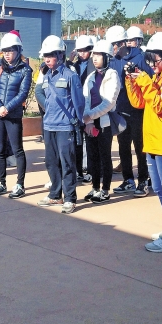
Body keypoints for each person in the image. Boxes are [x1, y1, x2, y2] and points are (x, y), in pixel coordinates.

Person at [126, 32, 162, 252]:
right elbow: (139, 103)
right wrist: (132, 82)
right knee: (158, 188)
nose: (152, 64)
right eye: (150, 60)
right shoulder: (156, 78)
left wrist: (144, 81)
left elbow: (160, 105)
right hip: (151, 141)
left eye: (156, 59)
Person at [36, 35, 85, 214]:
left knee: (67, 162)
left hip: (65, 126)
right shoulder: (46, 76)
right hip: (49, 125)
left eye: (51, 55)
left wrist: (79, 123)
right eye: (45, 56)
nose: (47, 59)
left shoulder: (71, 76)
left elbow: (79, 103)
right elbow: (45, 98)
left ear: (60, 55)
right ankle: (55, 194)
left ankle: (70, 198)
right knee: (51, 162)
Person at [0, 32, 33, 198]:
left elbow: (23, 93)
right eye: (4, 50)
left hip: (13, 115)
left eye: (10, 50)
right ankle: (1, 182)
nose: (7, 54)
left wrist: (7, 107)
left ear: (18, 50)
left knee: (17, 149)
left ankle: (20, 184)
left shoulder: (26, 70)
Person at [107, 25, 151, 196]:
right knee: (123, 146)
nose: (113, 49)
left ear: (123, 42)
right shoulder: (113, 60)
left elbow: (149, 83)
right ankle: (128, 180)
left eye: (115, 45)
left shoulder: (140, 58)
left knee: (140, 147)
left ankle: (143, 181)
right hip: (121, 110)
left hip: (138, 111)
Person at [80, 39, 121, 204]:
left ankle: (105, 189)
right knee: (92, 156)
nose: (94, 58)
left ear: (107, 57)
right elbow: (84, 99)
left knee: (105, 156)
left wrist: (91, 116)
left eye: (99, 55)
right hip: (90, 122)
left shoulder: (112, 75)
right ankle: (95, 187)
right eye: (94, 54)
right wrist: (87, 120)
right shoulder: (90, 76)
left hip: (104, 122)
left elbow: (109, 102)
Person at [68, 35, 95, 183]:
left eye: (86, 50)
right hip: (77, 107)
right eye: (80, 50)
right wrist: (70, 61)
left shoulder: (94, 64)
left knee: (90, 142)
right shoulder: (74, 65)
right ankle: (78, 170)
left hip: (90, 106)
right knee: (77, 141)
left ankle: (91, 170)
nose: (82, 53)